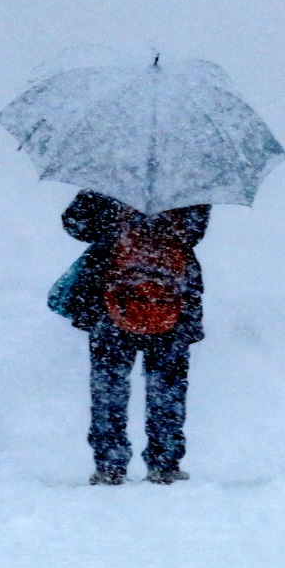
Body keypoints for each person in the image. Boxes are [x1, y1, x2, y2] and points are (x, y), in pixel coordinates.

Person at [59, 189, 210, 485]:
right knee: (167, 386)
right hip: (171, 298)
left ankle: (110, 464)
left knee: (109, 384)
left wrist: (114, 220)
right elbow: (193, 234)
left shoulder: (109, 178)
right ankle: (165, 462)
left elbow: (75, 225)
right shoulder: (190, 183)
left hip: (112, 296)